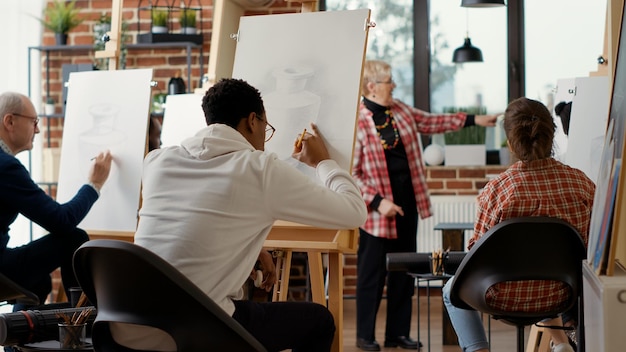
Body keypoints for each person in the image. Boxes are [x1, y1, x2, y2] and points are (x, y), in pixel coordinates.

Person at [118, 78, 368, 352]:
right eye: (266, 128)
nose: (264, 138)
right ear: (252, 121)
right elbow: (354, 212)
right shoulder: (259, 169)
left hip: (128, 326)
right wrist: (323, 162)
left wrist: (253, 248)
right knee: (319, 321)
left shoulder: (157, 162)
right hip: (194, 329)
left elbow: (192, 225)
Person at [352, 60, 498, 351]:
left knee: (403, 274)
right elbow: (351, 173)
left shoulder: (401, 110)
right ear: (372, 86)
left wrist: (473, 120)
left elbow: (431, 122)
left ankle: (397, 334)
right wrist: (379, 202)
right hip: (378, 214)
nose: (393, 85)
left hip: (407, 207)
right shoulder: (357, 121)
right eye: (389, 81)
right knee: (371, 276)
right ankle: (364, 336)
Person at [442, 97, 595, 352]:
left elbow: (474, 254)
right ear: (552, 135)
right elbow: (592, 244)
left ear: (511, 142)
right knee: (545, 265)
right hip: (561, 293)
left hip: (499, 294)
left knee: (450, 289)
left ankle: (479, 350)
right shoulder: (580, 184)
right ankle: (561, 346)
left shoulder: (496, 190)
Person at [0, 91, 112, 306]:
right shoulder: (6, 167)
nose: (38, 129)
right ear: (10, 121)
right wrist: (94, 185)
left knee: (38, 282)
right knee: (74, 238)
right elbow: (61, 221)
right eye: (34, 122)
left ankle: (15, 335)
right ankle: (78, 323)